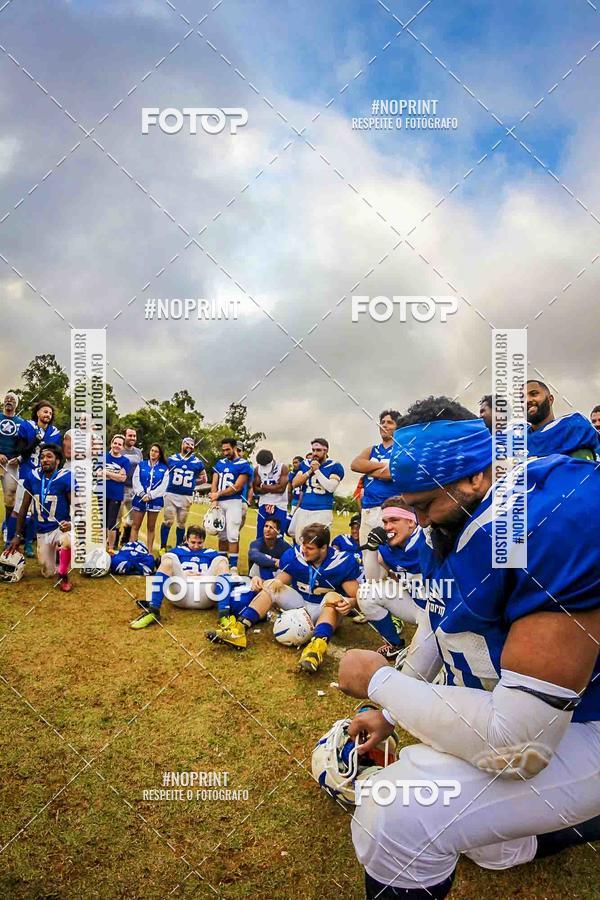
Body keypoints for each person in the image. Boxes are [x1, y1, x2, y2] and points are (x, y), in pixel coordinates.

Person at [336, 396, 600, 898]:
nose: (421, 521)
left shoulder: (546, 519)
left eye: (425, 506)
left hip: (585, 721)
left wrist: (379, 680)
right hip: (533, 710)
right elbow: (445, 622)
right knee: (486, 842)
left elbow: (519, 745)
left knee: (402, 808)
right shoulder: (457, 516)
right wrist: (388, 713)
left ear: (475, 478)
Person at [208, 522, 362, 673]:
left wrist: (351, 602)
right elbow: (280, 580)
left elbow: (359, 598)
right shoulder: (296, 556)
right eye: (303, 546)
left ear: (324, 548)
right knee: (272, 586)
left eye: (310, 548)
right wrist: (262, 582)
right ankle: (238, 630)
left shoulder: (340, 562)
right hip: (300, 604)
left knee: (332, 595)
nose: (304, 552)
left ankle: (316, 650)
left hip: (324, 610)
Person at [356, 497, 426, 662]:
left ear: (411, 522)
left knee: (416, 668)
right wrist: (372, 549)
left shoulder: (428, 539)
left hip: (442, 607)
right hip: (416, 603)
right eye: (385, 522)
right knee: (367, 593)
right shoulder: (388, 548)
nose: (388, 527)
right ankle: (394, 644)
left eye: (394, 520)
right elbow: (372, 579)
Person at [130, 524, 229, 628]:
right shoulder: (178, 551)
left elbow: (224, 573)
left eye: (199, 543)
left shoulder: (211, 553)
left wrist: (204, 575)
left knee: (222, 561)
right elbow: (162, 567)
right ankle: (153, 610)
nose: (196, 546)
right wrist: (184, 573)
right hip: (181, 592)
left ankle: (224, 615)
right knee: (168, 559)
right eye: (193, 542)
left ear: (204, 541)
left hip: (205, 593)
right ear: (186, 540)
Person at [7, 443, 72, 591]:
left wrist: (72, 523)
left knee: (67, 540)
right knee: (48, 572)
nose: (44, 460)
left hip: (60, 529)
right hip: (42, 531)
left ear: (57, 461)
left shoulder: (65, 477)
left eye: (49, 456)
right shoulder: (33, 476)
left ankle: (64, 575)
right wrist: (17, 535)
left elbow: (78, 506)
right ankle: (57, 558)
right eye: (42, 457)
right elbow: (24, 507)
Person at [6, 401, 62, 556]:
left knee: (35, 512)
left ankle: (29, 543)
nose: (48, 415)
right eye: (45, 412)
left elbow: (56, 455)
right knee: (18, 509)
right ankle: (10, 539)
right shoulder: (27, 426)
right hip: (27, 472)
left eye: (50, 413)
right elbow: (22, 451)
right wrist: (35, 441)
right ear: (37, 413)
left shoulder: (54, 432)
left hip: (43, 477)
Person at [351, 410, 401, 579]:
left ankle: (391, 595)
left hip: (387, 509)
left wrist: (370, 469)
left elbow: (392, 474)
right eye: (383, 422)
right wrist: (380, 469)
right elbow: (356, 464)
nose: (384, 425)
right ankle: (372, 593)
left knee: (388, 554)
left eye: (390, 422)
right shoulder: (372, 449)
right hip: (368, 510)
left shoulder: (400, 449)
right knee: (367, 554)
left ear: (397, 427)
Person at [210, 437, 253, 572]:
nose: (225, 452)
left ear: (235, 448)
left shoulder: (243, 464)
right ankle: (222, 563)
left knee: (232, 534)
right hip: (220, 502)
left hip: (234, 501)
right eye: (223, 450)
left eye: (228, 449)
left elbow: (238, 486)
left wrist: (218, 494)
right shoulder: (220, 463)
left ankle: (233, 566)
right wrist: (214, 500)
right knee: (221, 533)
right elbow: (214, 483)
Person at [526, 380, 599, 459]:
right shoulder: (516, 438)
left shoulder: (573, 425)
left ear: (550, 399)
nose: (527, 400)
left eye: (534, 394)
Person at [289, 438, 344, 538]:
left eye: (318, 450)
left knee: (316, 542)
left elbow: (331, 487)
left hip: (322, 510)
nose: (315, 453)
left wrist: (317, 471)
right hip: (304, 509)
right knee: (300, 540)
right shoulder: (305, 464)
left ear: (326, 451)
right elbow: (294, 483)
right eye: (313, 450)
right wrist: (310, 471)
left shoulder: (335, 466)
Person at [160, 437, 206, 551]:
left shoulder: (197, 462)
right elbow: (163, 473)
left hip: (186, 496)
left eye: (192, 445)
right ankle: (163, 546)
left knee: (181, 523)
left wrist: (192, 483)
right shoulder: (172, 459)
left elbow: (204, 478)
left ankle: (179, 547)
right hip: (171, 493)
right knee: (168, 521)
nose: (189, 446)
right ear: (182, 445)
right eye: (187, 444)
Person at [130, 443, 169, 553]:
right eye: (152, 450)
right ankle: (132, 549)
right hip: (140, 499)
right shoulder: (141, 465)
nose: (153, 453)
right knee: (135, 525)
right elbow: (135, 480)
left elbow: (163, 485)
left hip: (155, 500)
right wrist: (142, 494)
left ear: (160, 454)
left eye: (156, 451)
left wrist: (151, 495)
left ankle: (149, 552)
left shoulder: (164, 468)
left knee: (151, 527)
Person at [0, 391, 25, 534]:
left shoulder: (21, 423)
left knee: (10, 496)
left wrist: (19, 457)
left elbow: (24, 444)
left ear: (16, 404)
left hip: (11, 464)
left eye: (12, 399)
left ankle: (7, 525)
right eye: (7, 398)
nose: (9, 400)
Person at [116, 427, 143, 547]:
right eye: (130, 435)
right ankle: (114, 541)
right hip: (120, 487)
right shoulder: (119, 449)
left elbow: (141, 468)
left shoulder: (138, 452)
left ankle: (125, 540)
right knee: (117, 516)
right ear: (124, 436)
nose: (132, 438)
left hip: (133, 489)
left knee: (131, 518)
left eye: (134, 436)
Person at [103, 435, 130, 552]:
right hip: (102, 494)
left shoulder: (125, 461)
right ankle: (100, 547)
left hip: (116, 495)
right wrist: (116, 475)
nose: (117, 446)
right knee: (101, 522)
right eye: (115, 443)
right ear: (111, 443)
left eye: (120, 444)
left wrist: (107, 473)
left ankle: (110, 548)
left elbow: (122, 479)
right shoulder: (103, 457)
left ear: (122, 447)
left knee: (112, 522)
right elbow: (98, 474)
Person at [253, 449, 289, 537]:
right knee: (261, 534)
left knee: (277, 535)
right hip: (263, 504)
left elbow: (281, 489)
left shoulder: (282, 468)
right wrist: (274, 487)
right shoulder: (258, 469)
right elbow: (256, 490)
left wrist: (263, 486)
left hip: (279, 505)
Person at [247, 515, 290, 579]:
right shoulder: (256, 543)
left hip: (276, 578)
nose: (267, 530)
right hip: (257, 578)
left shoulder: (284, 546)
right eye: (266, 526)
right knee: (259, 564)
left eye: (271, 528)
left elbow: (290, 561)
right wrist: (275, 562)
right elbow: (254, 555)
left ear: (278, 531)